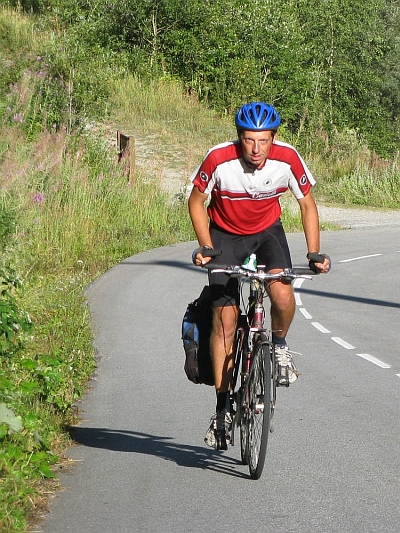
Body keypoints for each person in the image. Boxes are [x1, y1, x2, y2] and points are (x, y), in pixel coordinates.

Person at [188, 101, 331, 451]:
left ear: (274, 138)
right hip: (224, 237)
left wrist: (313, 252)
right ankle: (221, 410)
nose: (256, 149)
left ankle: (279, 346)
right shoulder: (218, 159)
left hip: (267, 233)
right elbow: (196, 201)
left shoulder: (288, 158)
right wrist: (206, 246)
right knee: (225, 320)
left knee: (282, 295)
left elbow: (307, 203)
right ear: (239, 138)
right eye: (249, 140)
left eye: (264, 141)